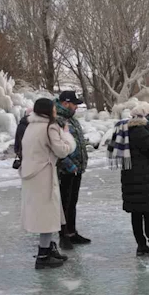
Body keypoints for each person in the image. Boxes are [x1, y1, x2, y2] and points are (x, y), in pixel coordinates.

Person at [19, 98, 76, 270]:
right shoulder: (49, 127)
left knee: (48, 212)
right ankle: (43, 255)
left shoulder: (31, 125)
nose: (55, 111)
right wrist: (66, 134)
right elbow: (62, 150)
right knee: (47, 214)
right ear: (47, 110)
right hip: (44, 174)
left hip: (32, 174)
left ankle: (50, 248)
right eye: (53, 108)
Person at [109, 104, 149, 256]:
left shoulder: (128, 129)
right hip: (144, 180)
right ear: (148, 116)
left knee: (136, 213)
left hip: (132, 179)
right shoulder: (140, 131)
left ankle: (142, 245)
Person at [54, 91, 90, 250]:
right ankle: (63, 236)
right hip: (65, 169)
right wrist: (69, 165)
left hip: (77, 168)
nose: (76, 107)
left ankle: (72, 232)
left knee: (72, 202)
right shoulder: (57, 120)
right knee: (64, 203)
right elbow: (57, 147)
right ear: (66, 103)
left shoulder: (71, 119)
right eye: (74, 104)